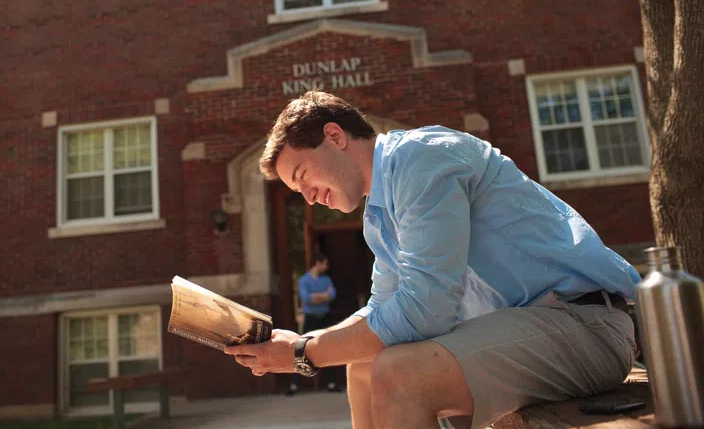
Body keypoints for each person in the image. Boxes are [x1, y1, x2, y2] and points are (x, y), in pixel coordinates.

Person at [225, 91, 641, 429]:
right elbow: (382, 311)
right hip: (525, 332)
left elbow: (425, 311)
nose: (309, 197)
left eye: (302, 177)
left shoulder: (420, 159)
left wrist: (304, 351)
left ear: (334, 136)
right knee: (363, 367)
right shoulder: (379, 215)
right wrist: (293, 346)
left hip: (585, 327)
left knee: (399, 374)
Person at [286, 252, 343, 395]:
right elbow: (305, 298)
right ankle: (294, 385)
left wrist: (316, 297)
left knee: (328, 348)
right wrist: (323, 296)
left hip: (325, 318)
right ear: (318, 263)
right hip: (310, 318)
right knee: (301, 349)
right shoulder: (304, 280)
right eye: (325, 263)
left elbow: (332, 296)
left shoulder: (327, 280)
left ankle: (331, 383)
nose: (326, 267)